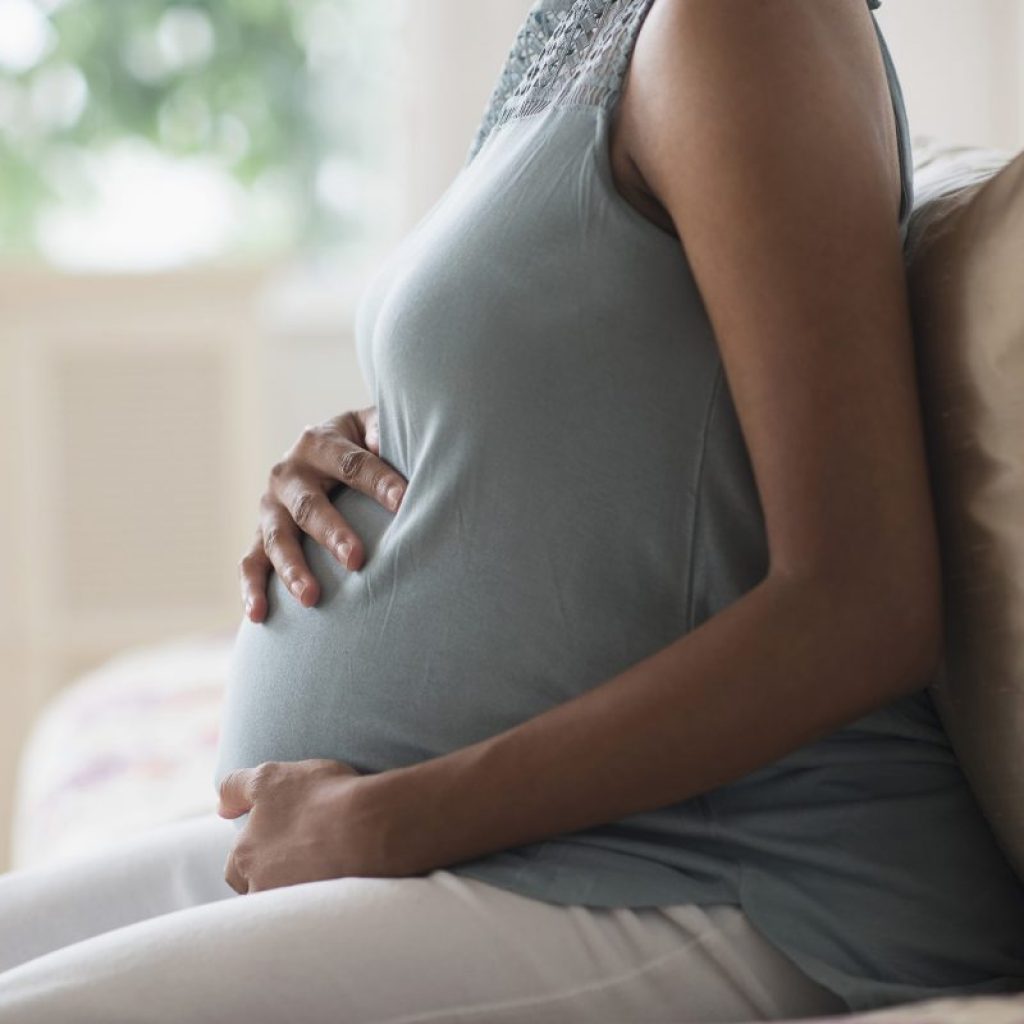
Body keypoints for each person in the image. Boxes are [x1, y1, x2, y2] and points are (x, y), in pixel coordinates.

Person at [3, 1, 1024, 1020]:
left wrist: (392, 821)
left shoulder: (743, 22)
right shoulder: (585, 31)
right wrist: (375, 438)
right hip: (509, 840)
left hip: (724, 869)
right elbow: (601, 401)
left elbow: (863, 602)